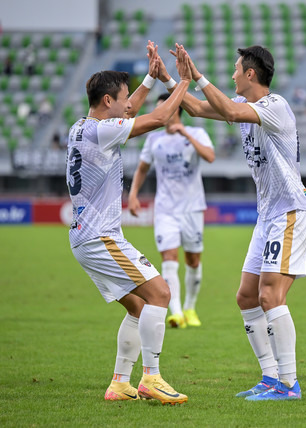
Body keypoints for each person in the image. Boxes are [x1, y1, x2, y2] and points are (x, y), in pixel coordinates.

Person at [155, 44, 306, 401]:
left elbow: (226, 108)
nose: (232, 76)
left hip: (290, 211)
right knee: (246, 297)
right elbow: (195, 108)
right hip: (267, 215)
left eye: (236, 70)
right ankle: (270, 377)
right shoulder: (245, 108)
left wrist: (196, 76)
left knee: (270, 294)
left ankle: (289, 384)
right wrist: (169, 77)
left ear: (251, 75)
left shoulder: (275, 107)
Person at [66, 41, 191, 404]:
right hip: (100, 237)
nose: (127, 104)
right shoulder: (101, 132)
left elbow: (134, 107)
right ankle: (151, 378)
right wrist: (181, 81)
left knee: (140, 307)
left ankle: (120, 383)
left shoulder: (82, 126)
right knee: (161, 293)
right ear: (108, 103)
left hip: (85, 238)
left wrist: (151, 80)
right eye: (121, 99)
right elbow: (159, 118)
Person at [128, 93, 215, 329]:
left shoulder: (196, 133)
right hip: (166, 209)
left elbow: (210, 157)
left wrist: (184, 133)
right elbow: (143, 168)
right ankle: (175, 312)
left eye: (162, 108)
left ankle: (190, 307)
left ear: (175, 109)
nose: (158, 114)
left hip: (192, 208)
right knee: (169, 257)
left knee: (193, 260)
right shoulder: (154, 140)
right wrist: (133, 194)